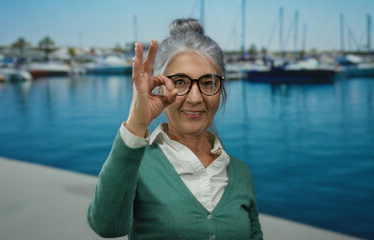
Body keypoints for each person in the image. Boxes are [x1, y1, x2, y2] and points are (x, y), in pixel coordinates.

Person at [87, 18, 263, 240]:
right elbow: (107, 226)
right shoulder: (136, 164)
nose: (195, 98)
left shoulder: (240, 172)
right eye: (180, 82)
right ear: (158, 87)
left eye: (208, 83)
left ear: (221, 89)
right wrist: (136, 125)